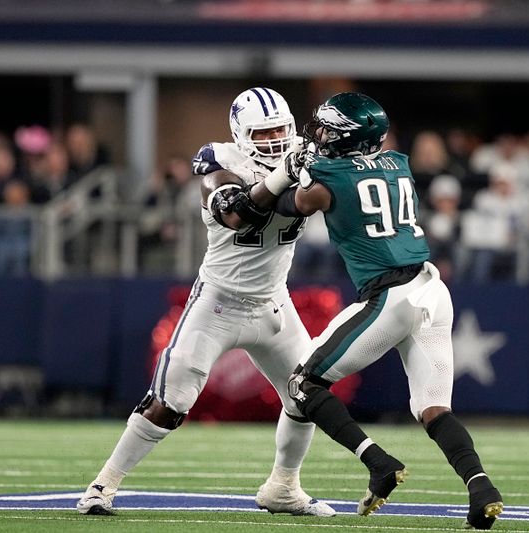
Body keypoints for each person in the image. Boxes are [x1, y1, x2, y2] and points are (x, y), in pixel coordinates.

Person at [238, 92, 503, 529]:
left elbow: (286, 206)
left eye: (327, 129)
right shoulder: (397, 161)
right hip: (432, 289)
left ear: (345, 138)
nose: (318, 134)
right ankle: (481, 487)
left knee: (303, 385)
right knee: (435, 411)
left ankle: (378, 463)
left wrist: (287, 175)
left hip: (389, 297)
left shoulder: (327, 177)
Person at [76, 87, 334, 518]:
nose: (273, 141)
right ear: (240, 133)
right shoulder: (221, 161)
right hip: (217, 303)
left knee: (305, 395)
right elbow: (235, 211)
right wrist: (284, 174)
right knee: (169, 402)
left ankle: (284, 488)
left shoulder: (306, 156)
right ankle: (102, 486)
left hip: (273, 304)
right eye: (262, 132)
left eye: (279, 130)